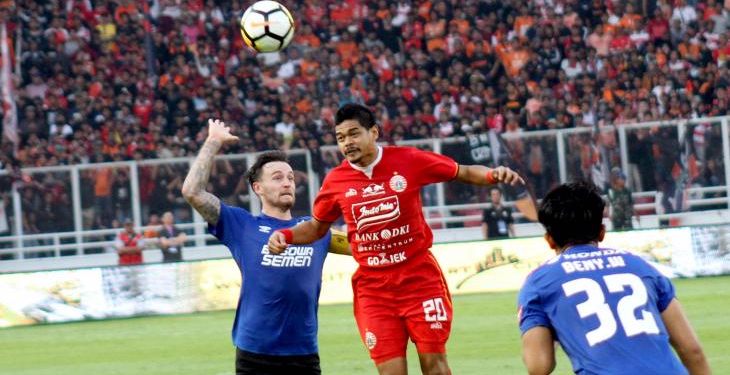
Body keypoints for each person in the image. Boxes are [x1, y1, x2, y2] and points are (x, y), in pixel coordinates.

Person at [268, 103, 524, 375]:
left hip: (420, 280)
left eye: (354, 134)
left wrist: (492, 175)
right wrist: (285, 234)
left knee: (435, 368)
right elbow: (317, 228)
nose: (347, 143)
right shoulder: (335, 181)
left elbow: (462, 171)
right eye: (341, 138)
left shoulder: (408, 160)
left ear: (374, 132)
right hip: (374, 289)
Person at [181, 119, 350, 375]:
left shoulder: (314, 228)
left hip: (303, 354)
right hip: (255, 355)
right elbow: (192, 192)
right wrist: (213, 141)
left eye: (291, 178)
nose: (287, 183)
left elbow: (362, 246)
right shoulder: (241, 225)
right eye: (278, 177)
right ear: (257, 188)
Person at [518, 181, 711, 375]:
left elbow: (539, 366)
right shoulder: (640, 266)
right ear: (602, 232)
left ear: (549, 240)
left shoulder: (538, 283)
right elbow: (692, 351)